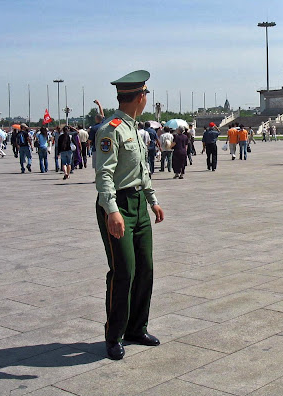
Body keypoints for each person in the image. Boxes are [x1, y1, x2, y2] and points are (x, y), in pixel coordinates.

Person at [94, 70, 164, 361]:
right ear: (139, 97)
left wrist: (153, 201)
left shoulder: (136, 128)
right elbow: (104, 173)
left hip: (138, 205)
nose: (147, 98)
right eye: (146, 93)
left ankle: (137, 328)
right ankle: (114, 334)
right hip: (118, 207)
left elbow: (142, 171)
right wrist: (112, 211)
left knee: (145, 269)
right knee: (123, 272)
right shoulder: (111, 129)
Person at [88, 100, 106, 171]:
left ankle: (97, 178)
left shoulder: (93, 128)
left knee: (96, 165)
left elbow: (90, 140)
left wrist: (88, 145)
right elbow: (102, 114)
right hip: (105, 148)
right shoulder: (104, 124)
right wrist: (99, 104)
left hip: (96, 148)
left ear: (96, 119)